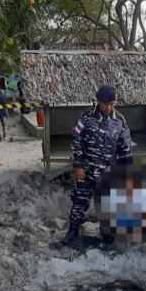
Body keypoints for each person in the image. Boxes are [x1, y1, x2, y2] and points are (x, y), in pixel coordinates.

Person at [61, 84, 133, 245]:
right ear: (99, 101)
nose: (110, 107)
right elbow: (76, 140)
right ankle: (73, 230)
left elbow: (125, 149)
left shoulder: (120, 120)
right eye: (107, 104)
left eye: (113, 104)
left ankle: (106, 231)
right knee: (80, 200)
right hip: (86, 170)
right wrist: (78, 165)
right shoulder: (86, 116)